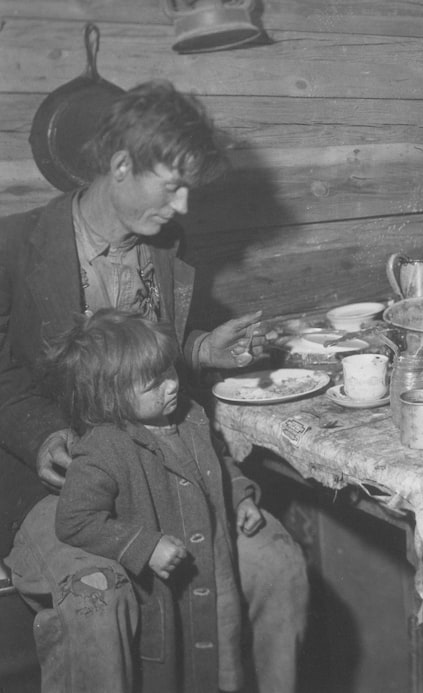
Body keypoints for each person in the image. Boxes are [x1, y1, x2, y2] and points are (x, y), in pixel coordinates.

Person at [0, 79, 308, 693]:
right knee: (100, 598)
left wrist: (199, 349)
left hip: (165, 469)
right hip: (56, 488)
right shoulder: (13, 248)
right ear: (120, 167)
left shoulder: (164, 245)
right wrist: (40, 437)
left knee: (277, 564)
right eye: (173, 186)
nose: (185, 206)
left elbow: (142, 364)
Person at [45, 309, 259, 692]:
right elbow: (75, 520)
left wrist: (241, 496)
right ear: (110, 398)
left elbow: (220, 461)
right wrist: (145, 546)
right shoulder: (104, 448)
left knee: (225, 662)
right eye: (153, 383)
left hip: (217, 572)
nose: (171, 386)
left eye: (170, 371)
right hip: (168, 593)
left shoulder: (191, 416)